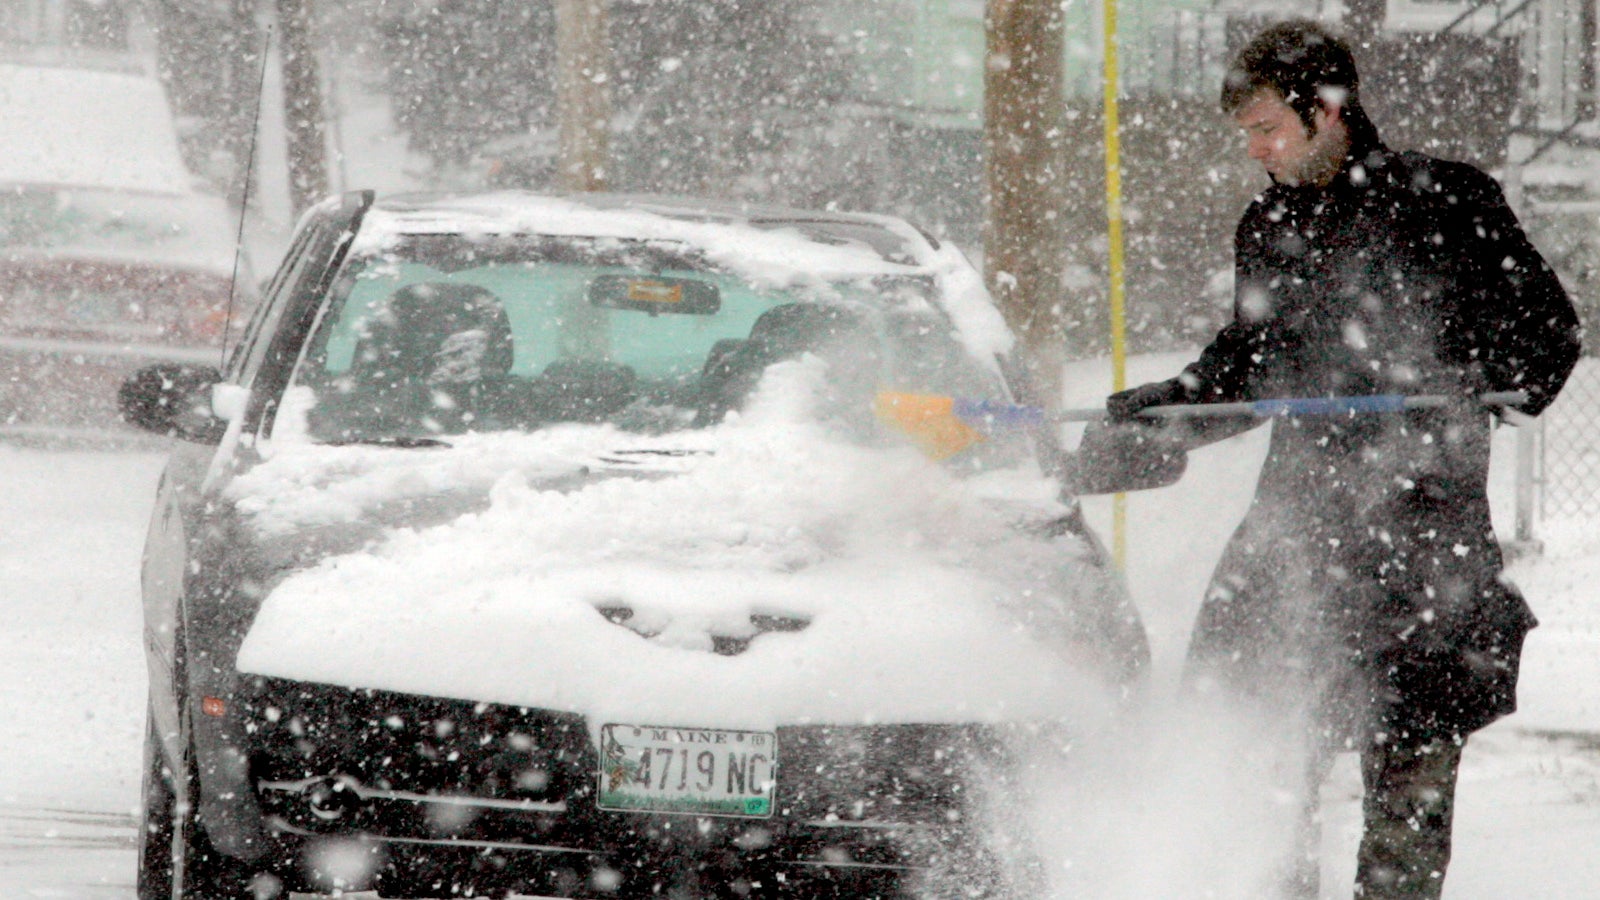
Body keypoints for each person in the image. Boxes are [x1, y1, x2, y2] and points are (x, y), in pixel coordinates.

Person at [1102, 20, 1582, 899]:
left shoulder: (1448, 202)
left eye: (1265, 129)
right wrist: (1161, 416)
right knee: (1262, 766)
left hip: (1423, 543)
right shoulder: (1270, 222)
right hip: (1295, 540)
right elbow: (1248, 365)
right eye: (1245, 134)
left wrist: (1478, 377)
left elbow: (1549, 334)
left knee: (1408, 794)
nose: (1255, 152)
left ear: (1327, 111)